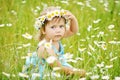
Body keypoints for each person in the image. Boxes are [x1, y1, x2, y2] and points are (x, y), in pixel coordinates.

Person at [21, 6, 85, 80]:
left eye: (61, 26)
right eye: (53, 27)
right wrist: (76, 72)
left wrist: (73, 19)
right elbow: (57, 68)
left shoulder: (55, 36)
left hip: (59, 68)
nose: (58, 30)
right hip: (46, 74)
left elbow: (73, 31)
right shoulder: (45, 48)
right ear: (43, 30)